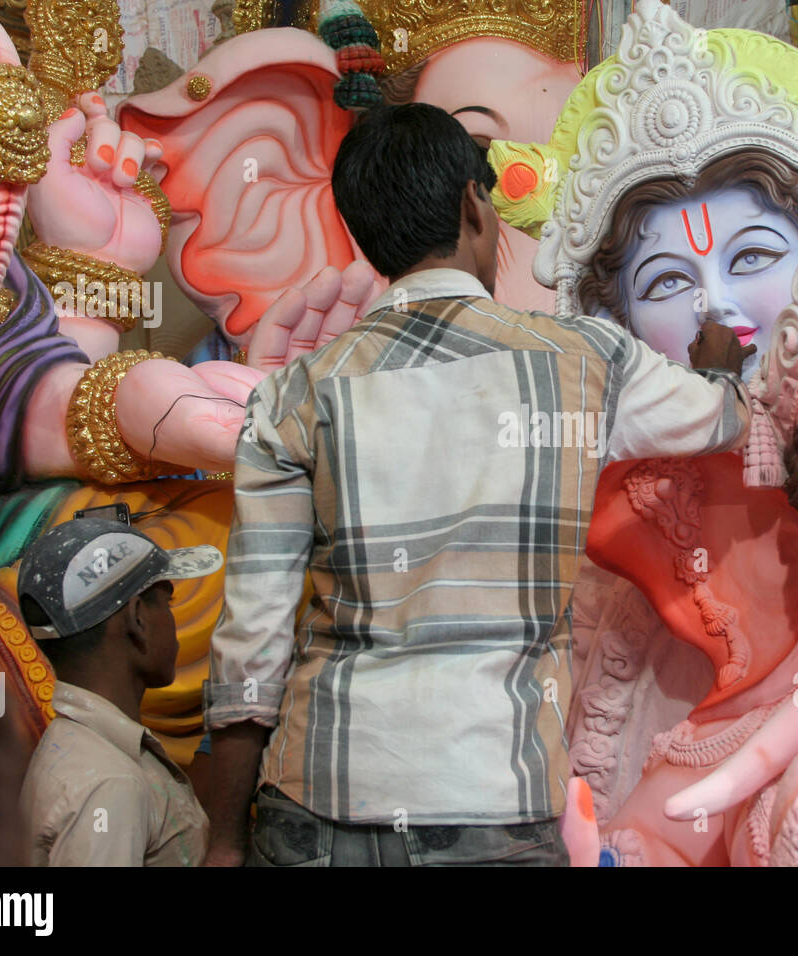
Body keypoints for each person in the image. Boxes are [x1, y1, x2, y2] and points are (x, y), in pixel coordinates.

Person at [203, 102, 755, 867]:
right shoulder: (585, 363)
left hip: (319, 804)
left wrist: (223, 842)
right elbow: (727, 419)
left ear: (365, 237)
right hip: (493, 801)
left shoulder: (294, 395)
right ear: (475, 204)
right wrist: (720, 370)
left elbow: (251, 644)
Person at [17, 517, 223, 866]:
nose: (172, 622)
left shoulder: (78, 748)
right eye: (167, 603)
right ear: (138, 618)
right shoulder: (110, 783)